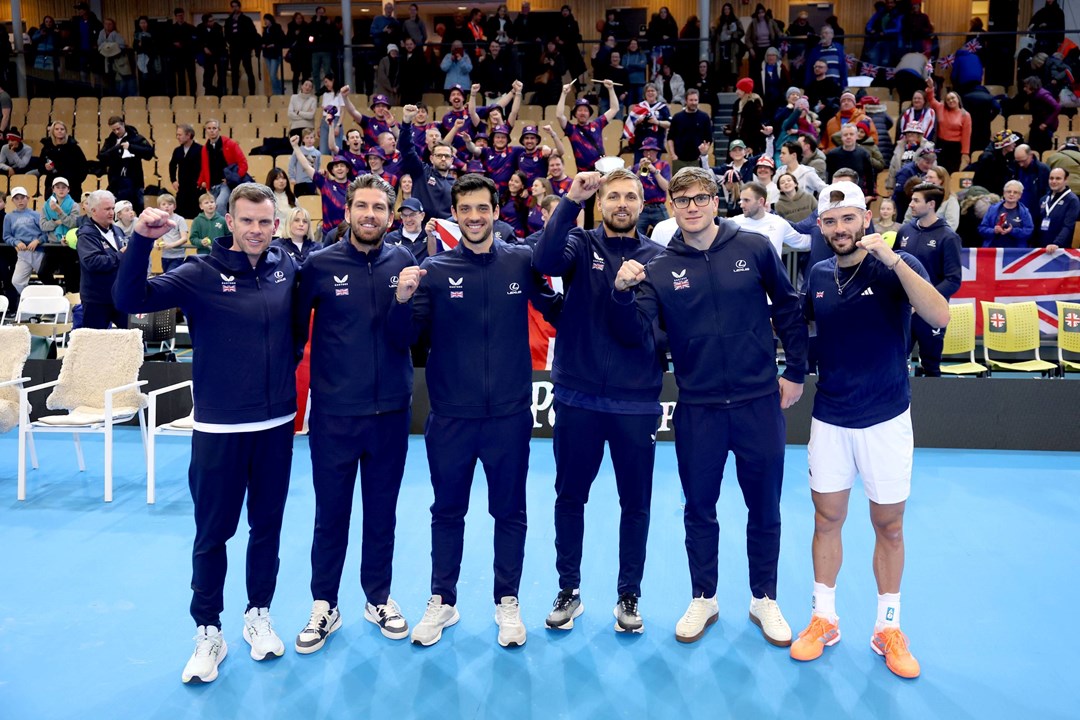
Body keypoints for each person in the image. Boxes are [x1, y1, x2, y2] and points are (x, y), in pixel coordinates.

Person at [610, 167, 808, 647]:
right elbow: (637, 335)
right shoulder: (657, 267)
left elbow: (787, 307)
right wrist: (619, 294)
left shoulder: (755, 248)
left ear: (717, 202)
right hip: (698, 407)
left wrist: (796, 371)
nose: (693, 207)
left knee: (764, 507)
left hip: (758, 401)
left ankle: (765, 597)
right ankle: (704, 596)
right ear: (672, 208)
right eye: (683, 201)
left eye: (701, 198)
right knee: (699, 508)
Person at [115, 183, 300, 684]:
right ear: (230, 223)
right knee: (212, 534)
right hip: (219, 427)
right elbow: (130, 298)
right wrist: (141, 242)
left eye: (265, 222)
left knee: (267, 529)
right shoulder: (200, 273)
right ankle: (208, 631)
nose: (257, 230)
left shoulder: (287, 266)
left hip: (277, 426)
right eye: (248, 221)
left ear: (275, 225)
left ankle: (258, 614)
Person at [390, 174, 561, 649]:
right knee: (447, 511)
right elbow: (405, 338)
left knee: (510, 512)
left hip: (508, 416)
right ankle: (442, 600)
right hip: (450, 418)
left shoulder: (521, 261)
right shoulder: (435, 270)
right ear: (455, 214)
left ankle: (507, 601)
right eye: (465, 209)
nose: (474, 217)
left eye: (482, 208)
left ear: (496, 211)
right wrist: (401, 301)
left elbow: (556, 309)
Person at [791, 180, 950, 680]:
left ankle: (887, 627)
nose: (841, 229)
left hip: (886, 417)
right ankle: (824, 618)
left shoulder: (896, 264)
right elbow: (793, 325)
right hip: (830, 417)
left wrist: (896, 260)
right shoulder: (816, 274)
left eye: (849, 219)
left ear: (867, 219)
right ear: (821, 227)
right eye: (831, 222)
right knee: (826, 519)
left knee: (890, 525)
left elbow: (939, 314)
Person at [531, 168, 666, 634]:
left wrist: (625, 296)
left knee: (636, 503)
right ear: (601, 202)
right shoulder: (579, 243)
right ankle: (569, 589)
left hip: (635, 403)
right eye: (613, 196)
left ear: (642, 203)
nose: (622, 204)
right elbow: (544, 260)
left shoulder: (658, 257)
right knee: (570, 497)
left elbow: (648, 331)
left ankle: (629, 594)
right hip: (577, 397)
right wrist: (570, 201)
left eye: (631, 196)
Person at [290, 173, 415, 654]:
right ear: (347, 212)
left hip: (390, 414)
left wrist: (404, 299)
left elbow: (408, 337)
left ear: (389, 214)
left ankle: (377, 597)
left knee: (382, 513)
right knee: (331, 514)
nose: (370, 215)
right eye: (361, 206)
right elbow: (296, 335)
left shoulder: (405, 261)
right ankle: (324, 604)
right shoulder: (319, 265)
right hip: (335, 416)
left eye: (378, 207)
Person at [895, 183, 962, 377]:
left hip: (930, 313)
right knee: (895, 362)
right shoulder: (905, 231)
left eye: (916, 200)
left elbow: (953, 280)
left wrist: (923, 301)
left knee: (931, 366)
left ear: (931, 204)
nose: (911, 204)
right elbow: (892, 267)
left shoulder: (948, 237)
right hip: (903, 311)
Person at [76, 190, 127, 329]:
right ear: (93, 211)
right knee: (95, 344)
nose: (111, 212)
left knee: (134, 338)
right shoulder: (86, 235)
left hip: (120, 296)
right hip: (96, 300)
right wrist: (121, 255)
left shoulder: (118, 231)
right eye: (107, 209)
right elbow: (92, 262)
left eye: (112, 208)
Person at [400, 104, 457, 220]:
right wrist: (406, 122)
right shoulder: (421, 172)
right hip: (419, 230)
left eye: (446, 156)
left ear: (452, 160)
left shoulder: (456, 185)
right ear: (431, 158)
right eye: (439, 155)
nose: (443, 159)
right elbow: (407, 149)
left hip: (444, 233)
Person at [731, 182, 811, 257]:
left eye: (746, 200)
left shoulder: (778, 222)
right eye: (741, 200)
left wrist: (819, 233)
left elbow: (803, 242)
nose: (742, 205)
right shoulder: (732, 224)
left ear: (760, 201)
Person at [97, 116, 155, 213]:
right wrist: (116, 149)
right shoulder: (110, 140)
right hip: (115, 181)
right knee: (118, 210)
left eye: (118, 128)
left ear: (123, 125)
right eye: (113, 130)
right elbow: (102, 157)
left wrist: (131, 147)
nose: (116, 132)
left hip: (135, 180)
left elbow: (149, 153)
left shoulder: (136, 138)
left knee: (137, 208)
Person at [199, 119, 249, 218]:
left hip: (225, 184)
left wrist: (233, 178)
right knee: (213, 208)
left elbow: (243, 163)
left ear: (219, 129)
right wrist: (201, 181)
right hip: (212, 185)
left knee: (220, 204)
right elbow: (204, 166)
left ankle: (222, 229)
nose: (212, 131)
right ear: (206, 130)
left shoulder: (230, 144)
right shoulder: (205, 148)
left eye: (214, 128)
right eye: (209, 128)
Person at [3, 186, 48, 294]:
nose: (20, 201)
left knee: (46, 279)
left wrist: (37, 241)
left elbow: (46, 233)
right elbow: (7, 236)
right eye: (17, 198)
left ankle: (51, 304)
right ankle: (31, 300)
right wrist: (16, 242)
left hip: (38, 252)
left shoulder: (36, 215)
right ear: (12, 200)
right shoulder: (9, 217)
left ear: (27, 198)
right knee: (17, 281)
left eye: (22, 198)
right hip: (22, 254)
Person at [667, 89, 713, 176]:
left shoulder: (704, 117)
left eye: (696, 100)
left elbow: (708, 139)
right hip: (679, 160)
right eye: (691, 100)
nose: (693, 102)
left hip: (697, 160)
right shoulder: (677, 117)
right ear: (686, 101)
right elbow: (670, 138)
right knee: (678, 187)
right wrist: (673, 155)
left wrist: (703, 154)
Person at [826, 125, 876, 200]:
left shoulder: (863, 154)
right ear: (841, 137)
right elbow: (829, 176)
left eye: (851, 134)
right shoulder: (832, 155)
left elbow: (870, 176)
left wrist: (870, 194)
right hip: (837, 195)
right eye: (845, 135)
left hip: (857, 195)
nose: (848, 137)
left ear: (856, 136)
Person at [1035, 167, 1079, 252]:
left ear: (1066, 180)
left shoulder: (1072, 200)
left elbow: (1068, 226)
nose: (1054, 181)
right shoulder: (1043, 199)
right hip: (1042, 248)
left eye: (1058, 178)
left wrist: (1057, 243)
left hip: (1059, 249)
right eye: (1051, 178)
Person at [979, 180, 1033, 248]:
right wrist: (994, 231)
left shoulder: (1025, 212)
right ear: (1004, 193)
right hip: (994, 251)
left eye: (1015, 192)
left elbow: (1029, 231)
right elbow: (982, 229)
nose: (1011, 194)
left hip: (1016, 253)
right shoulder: (992, 209)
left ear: (1020, 195)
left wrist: (1012, 231)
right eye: (1009, 191)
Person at [224, 1, 259, 95]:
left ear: (239, 7)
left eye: (236, 6)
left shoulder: (246, 19)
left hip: (245, 49)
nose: (235, 8)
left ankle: (252, 92)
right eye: (233, 7)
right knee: (234, 72)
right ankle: (235, 92)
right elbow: (226, 34)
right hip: (234, 49)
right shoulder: (228, 20)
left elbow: (253, 33)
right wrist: (230, 42)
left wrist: (251, 47)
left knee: (249, 71)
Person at [169, 124, 203, 220]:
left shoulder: (200, 149)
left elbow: (205, 167)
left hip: (197, 188)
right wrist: (173, 180)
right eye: (177, 135)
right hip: (182, 188)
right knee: (180, 214)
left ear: (188, 135)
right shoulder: (177, 150)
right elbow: (172, 165)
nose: (178, 137)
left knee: (196, 214)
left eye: (180, 135)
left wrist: (203, 181)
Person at [153, 193, 190, 274]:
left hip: (178, 256)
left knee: (171, 276)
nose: (167, 206)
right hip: (165, 256)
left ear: (174, 206)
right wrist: (156, 244)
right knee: (167, 276)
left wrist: (170, 245)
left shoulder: (180, 219)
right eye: (164, 204)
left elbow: (184, 238)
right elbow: (155, 236)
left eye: (170, 204)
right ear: (159, 207)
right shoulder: (158, 220)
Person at [168, 8, 198, 96]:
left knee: (192, 77)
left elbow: (195, 41)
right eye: (179, 16)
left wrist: (183, 44)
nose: (181, 17)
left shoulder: (191, 27)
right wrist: (174, 44)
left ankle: (193, 96)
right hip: (178, 57)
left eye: (182, 15)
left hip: (189, 56)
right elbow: (169, 42)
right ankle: (182, 96)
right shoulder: (172, 29)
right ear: (176, 17)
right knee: (181, 78)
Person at [261, 14, 286, 95]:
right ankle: (280, 87)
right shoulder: (265, 29)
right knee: (272, 75)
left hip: (275, 54)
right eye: (264, 20)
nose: (265, 21)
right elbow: (263, 40)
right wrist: (263, 44)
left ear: (270, 20)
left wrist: (274, 44)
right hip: (267, 53)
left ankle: (277, 93)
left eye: (266, 20)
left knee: (272, 75)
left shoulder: (277, 27)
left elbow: (281, 38)